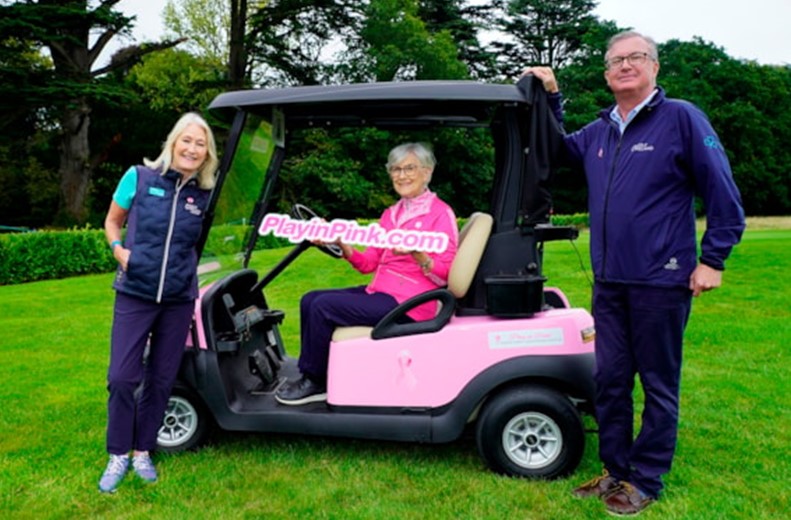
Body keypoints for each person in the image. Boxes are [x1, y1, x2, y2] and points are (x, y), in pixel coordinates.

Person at [523, 31, 745, 516]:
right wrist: (553, 97)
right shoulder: (601, 130)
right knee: (611, 380)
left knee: (659, 384)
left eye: (635, 57)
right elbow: (559, 152)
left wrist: (713, 259)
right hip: (611, 281)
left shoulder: (681, 118)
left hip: (661, 280)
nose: (625, 65)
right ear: (606, 74)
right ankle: (615, 471)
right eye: (615, 60)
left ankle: (646, 479)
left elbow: (722, 192)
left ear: (654, 67)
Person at [275, 142, 459, 406]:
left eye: (409, 168)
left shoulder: (440, 215)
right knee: (310, 299)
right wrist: (342, 244)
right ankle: (322, 373)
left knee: (323, 307)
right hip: (383, 293)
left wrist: (419, 255)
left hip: (412, 304)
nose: (401, 175)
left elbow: (447, 275)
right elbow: (369, 263)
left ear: (427, 172)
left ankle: (314, 380)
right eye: (395, 169)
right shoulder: (391, 215)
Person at [98, 112, 219, 493]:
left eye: (201, 144)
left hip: (178, 299)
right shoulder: (139, 176)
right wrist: (118, 250)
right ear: (173, 142)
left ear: (207, 154)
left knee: (162, 379)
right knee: (121, 377)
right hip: (135, 292)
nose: (193, 149)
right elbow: (112, 221)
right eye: (187, 140)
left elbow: (206, 244)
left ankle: (143, 450)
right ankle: (118, 453)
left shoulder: (205, 194)